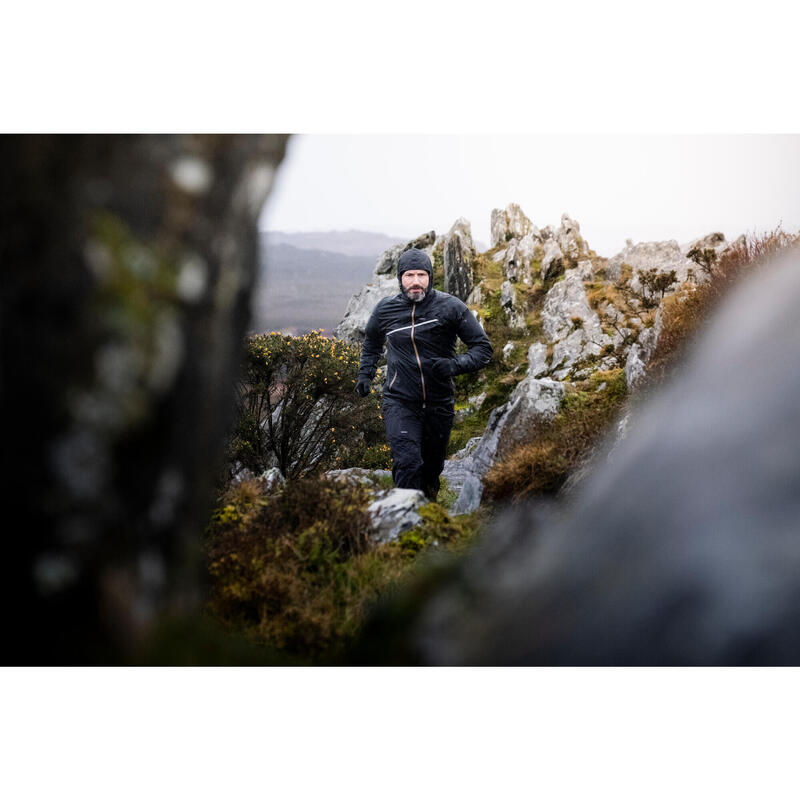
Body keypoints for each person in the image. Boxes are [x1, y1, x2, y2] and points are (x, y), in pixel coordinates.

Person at [355, 248, 493, 500]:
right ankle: (403, 521)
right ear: (400, 278)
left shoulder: (451, 307)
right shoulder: (385, 310)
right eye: (409, 275)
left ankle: (427, 517)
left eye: (421, 274)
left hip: (439, 403)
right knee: (407, 463)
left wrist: (455, 365)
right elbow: (372, 342)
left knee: (431, 470)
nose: (416, 281)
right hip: (400, 400)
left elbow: (483, 349)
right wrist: (366, 373)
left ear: (430, 277)